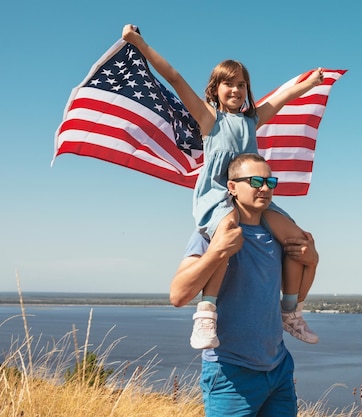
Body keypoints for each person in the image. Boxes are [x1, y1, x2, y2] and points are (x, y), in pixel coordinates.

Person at [122, 25, 322, 348]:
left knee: (297, 238)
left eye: (242, 84)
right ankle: (206, 312)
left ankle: (290, 312)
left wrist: (309, 83)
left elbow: (282, 98)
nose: (236, 90)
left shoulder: (252, 120)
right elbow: (173, 76)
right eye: (229, 83)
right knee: (227, 233)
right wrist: (138, 42)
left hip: (252, 194)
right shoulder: (209, 119)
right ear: (215, 88)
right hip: (218, 194)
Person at [170, 153, 318, 417]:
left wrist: (313, 261)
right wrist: (217, 253)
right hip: (230, 373)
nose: (264, 188)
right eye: (255, 181)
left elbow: (294, 296)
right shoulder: (210, 233)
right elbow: (178, 295)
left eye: (270, 182)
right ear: (232, 188)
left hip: (278, 368)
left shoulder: (278, 235)